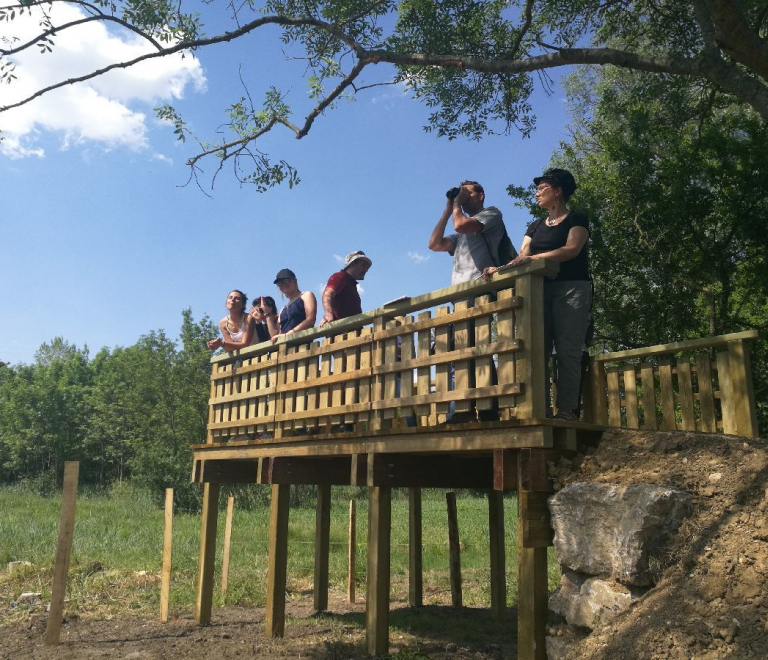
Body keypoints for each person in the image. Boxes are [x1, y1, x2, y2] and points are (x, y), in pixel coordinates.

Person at [483, 168, 592, 421]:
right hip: (539, 289)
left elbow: (572, 249)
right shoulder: (534, 226)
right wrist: (498, 268)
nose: (536, 193)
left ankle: (567, 411)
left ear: (558, 191)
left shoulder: (577, 218)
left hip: (571, 288)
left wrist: (536, 258)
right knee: (537, 350)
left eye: (541, 188)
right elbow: (521, 258)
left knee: (567, 350)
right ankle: (539, 410)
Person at [427, 180, 507, 284]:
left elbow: (460, 226)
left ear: (481, 196)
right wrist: (447, 211)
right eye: (461, 194)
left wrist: (457, 202)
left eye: (468, 193)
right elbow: (434, 244)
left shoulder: (492, 213)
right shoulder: (460, 237)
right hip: (460, 295)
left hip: (485, 289)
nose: (464, 197)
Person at [320, 250, 372, 325]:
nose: (366, 270)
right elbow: (327, 294)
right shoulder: (340, 277)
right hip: (340, 332)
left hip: (350, 331)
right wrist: (328, 314)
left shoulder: (351, 284)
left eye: (367, 267)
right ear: (353, 263)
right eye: (363, 265)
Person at [270, 268, 317, 343]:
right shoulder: (283, 310)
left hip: (303, 346)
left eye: (286, 280)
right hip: (284, 349)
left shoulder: (306, 295)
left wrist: (288, 334)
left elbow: (310, 319)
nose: (283, 284)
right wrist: (267, 315)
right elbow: (276, 335)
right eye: (279, 283)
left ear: (295, 280)